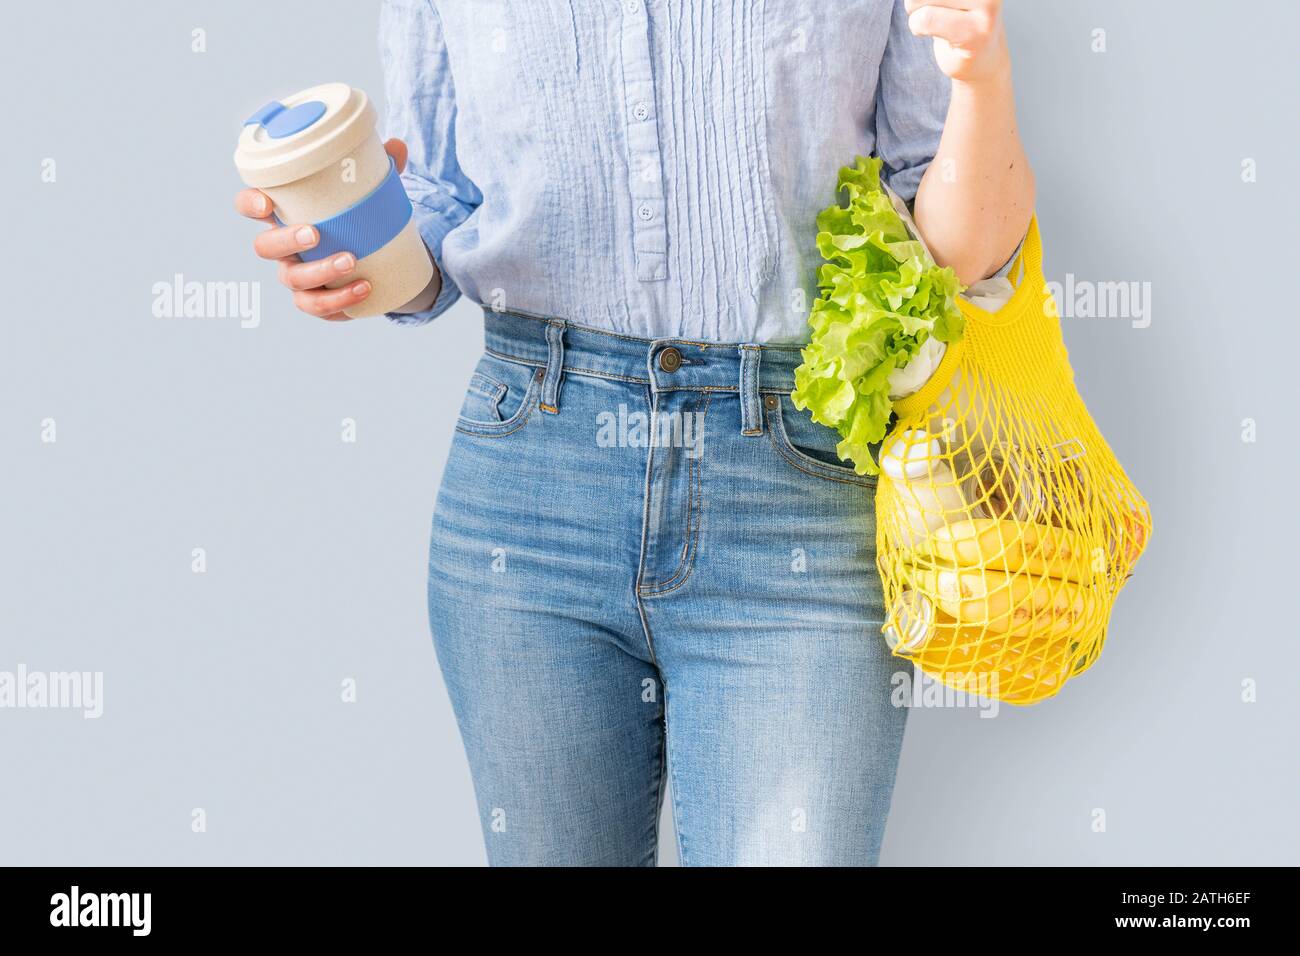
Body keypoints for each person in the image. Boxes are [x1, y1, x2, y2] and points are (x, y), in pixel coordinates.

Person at [235, 0, 1034, 866]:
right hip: (531, 493)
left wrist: (984, 78)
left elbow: (960, 253)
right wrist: (353, 258)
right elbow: (440, 201)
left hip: (795, 489)